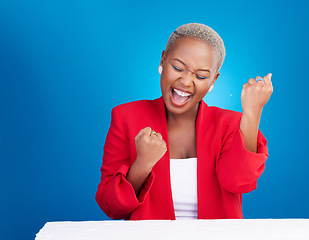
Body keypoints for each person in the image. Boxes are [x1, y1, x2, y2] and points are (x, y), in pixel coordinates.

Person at [95, 23, 273, 220]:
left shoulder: (231, 125)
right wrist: (142, 165)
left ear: (213, 80)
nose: (186, 82)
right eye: (178, 67)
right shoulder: (126, 117)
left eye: (201, 75)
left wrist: (252, 113)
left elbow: (239, 182)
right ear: (163, 60)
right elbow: (111, 206)